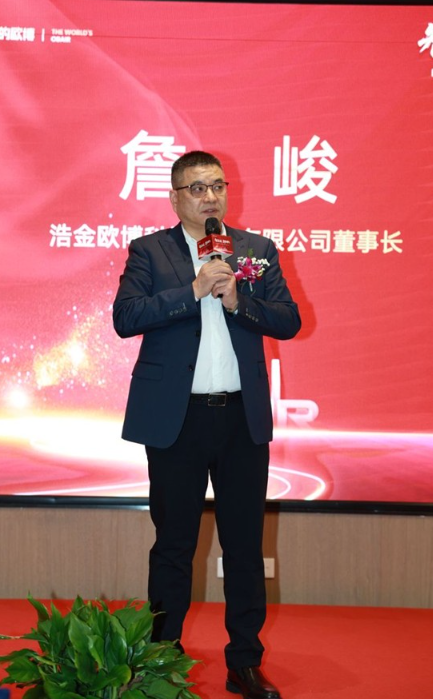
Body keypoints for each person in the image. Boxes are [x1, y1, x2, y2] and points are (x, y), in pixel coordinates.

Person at [113, 151, 301, 699]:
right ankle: (161, 662)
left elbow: (288, 320)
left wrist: (239, 300)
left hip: (241, 420)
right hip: (179, 422)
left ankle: (244, 662)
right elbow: (126, 317)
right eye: (197, 188)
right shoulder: (149, 251)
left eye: (217, 186)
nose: (210, 196)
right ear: (175, 197)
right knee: (174, 546)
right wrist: (192, 292)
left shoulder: (256, 251)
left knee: (244, 548)